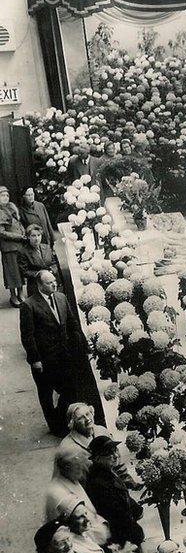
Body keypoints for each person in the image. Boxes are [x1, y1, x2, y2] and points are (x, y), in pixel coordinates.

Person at [21, 271, 86, 436]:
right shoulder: (29, 305)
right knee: (46, 394)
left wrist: (78, 346)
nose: (54, 284)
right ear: (40, 285)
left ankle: (61, 419)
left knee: (69, 390)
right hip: (44, 358)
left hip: (63, 354)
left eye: (54, 281)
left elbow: (71, 322)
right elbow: (27, 336)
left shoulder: (61, 298)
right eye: (49, 283)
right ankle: (54, 426)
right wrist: (35, 360)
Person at [84, 435, 144, 547]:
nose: (115, 456)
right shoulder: (98, 484)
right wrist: (136, 525)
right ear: (97, 458)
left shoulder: (106, 471)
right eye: (108, 453)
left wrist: (137, 509)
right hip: (120, 539)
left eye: (114, 450)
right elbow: (118, 515)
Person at [0, 185, 26, 306]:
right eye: (2, 195)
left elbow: (18, 223)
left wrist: (23, 232)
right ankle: (13, 296)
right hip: (8, 247)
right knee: (12, 272)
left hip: (19, 246)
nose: (5, 198)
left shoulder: (12, 208)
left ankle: (21, 293)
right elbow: (2, 232)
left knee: (20, 270)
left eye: (7, 195)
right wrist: (18, 237)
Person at [19, 225, 58, 296]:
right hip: (35, 285)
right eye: (33, 236)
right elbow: (24, 271)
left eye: (38, 235)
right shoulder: (24, 252)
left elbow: (54, 263)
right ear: (28, 237)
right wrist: (41, 274)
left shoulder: (46, 247)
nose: (37, 238)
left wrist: (51, 271)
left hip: (50, 282)